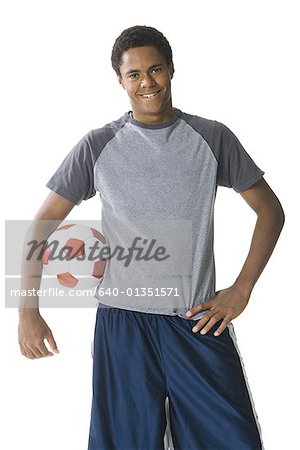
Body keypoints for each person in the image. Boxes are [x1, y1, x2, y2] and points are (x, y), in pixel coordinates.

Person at [18, 25, 285, 450]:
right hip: (123, 325)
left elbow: (270, 210)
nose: (147, 82)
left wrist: (242, 289)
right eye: (134, 74)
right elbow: (42, 225)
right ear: (120, 81)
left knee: (233, 440)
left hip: (196, 321)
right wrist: (27, 312)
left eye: (155, 70)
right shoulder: (98, 144)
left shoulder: (212, 137)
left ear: (172, 70)